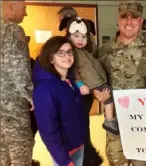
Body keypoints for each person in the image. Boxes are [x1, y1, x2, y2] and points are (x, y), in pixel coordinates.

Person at [95, 1, 146, 165]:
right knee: (117, 161)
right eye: (124, 17)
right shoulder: (105, 50)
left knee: (143, 163)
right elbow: (96, 79)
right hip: (114, 120)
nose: (129, 22)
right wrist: (97, 92)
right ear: (118, 20)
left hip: (144, 121)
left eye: (134, 17)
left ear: (141, 21)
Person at [58, 8, 103, 166]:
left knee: (79, 126)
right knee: (82, 125)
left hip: (81, 92)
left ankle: (86, 157)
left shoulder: (79, 44)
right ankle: (88, 156)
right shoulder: (76, 43)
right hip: (80, 91)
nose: (80, 38)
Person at [32, 36, 85, 166]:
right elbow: (48, 131)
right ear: (51, 58)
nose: (67, 56)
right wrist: (64, 161)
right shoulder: (45, 89)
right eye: (60, 53)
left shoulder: (69, 82)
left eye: (69, 52)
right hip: (64, 153)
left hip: (78, 145)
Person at [66, 17, 119, 135]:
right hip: (90, 84)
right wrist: (80, 84)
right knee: (108, 96)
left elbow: (96, 56)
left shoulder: (85, 50)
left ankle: (110, 118)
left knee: (109, 95)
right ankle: (109, 120)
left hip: (96, 81)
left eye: (84, 37)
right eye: (76, 36)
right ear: (69, 36)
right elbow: (73, 71)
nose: (80, 40)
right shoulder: (72, 52)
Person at [1, 1, 35, 166]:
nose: (25, 13)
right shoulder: (13, 30)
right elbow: (16, 67)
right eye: (23, 9)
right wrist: (31, 96)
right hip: (12, 107)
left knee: (3, 157)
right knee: (20, 156)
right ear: (11, 7)